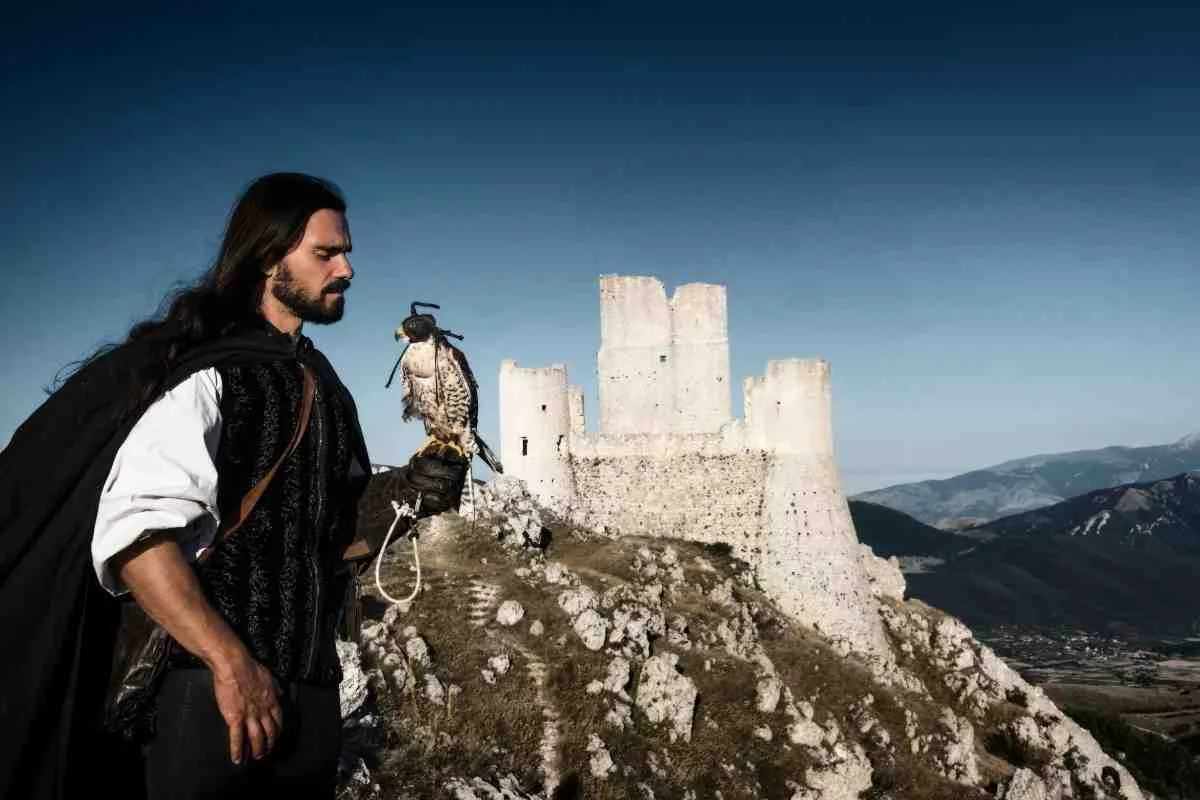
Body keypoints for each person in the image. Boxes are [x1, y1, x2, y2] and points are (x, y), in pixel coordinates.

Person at [0, 173, 467, 799]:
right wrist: (230, 663)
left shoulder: (324, 384)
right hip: (208, 702)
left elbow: (335, 529)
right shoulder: (210, 376)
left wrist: (411, 491)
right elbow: (139, 537)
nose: (348, 269)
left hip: (311, 698)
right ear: (269, 258)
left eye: (347, 251)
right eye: (326, 253)